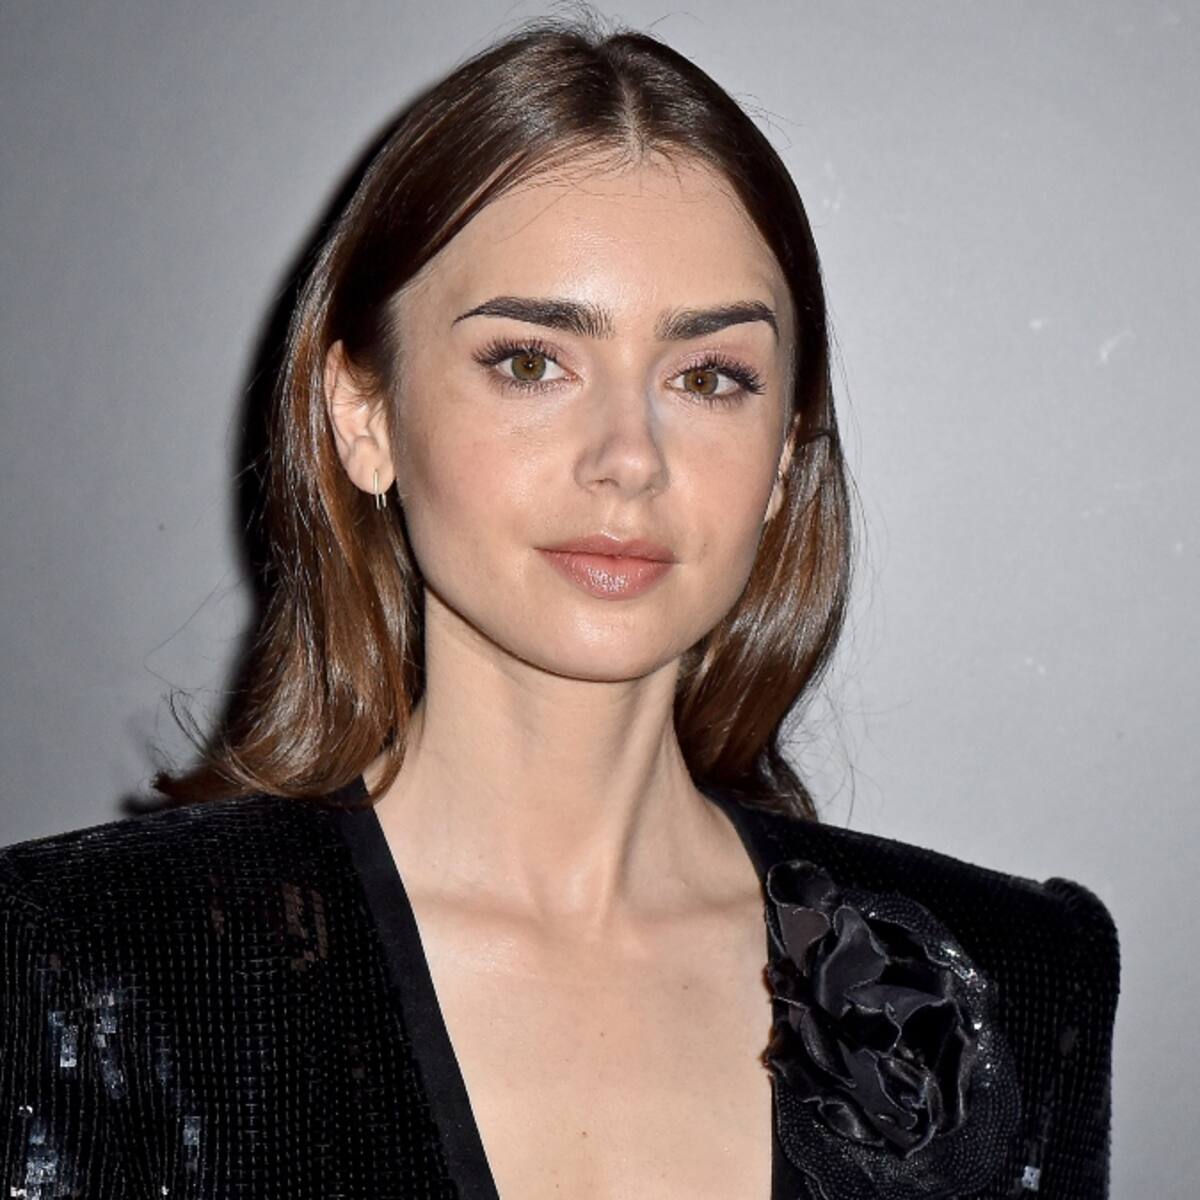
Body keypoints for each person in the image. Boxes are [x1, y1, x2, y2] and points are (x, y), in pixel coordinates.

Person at [0, 13, 1118, 1200]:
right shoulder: (75, 966)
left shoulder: (1011, 983)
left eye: (709, 377)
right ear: (363, 415)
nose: (629, 458)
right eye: (531, 361)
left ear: (785, 458)